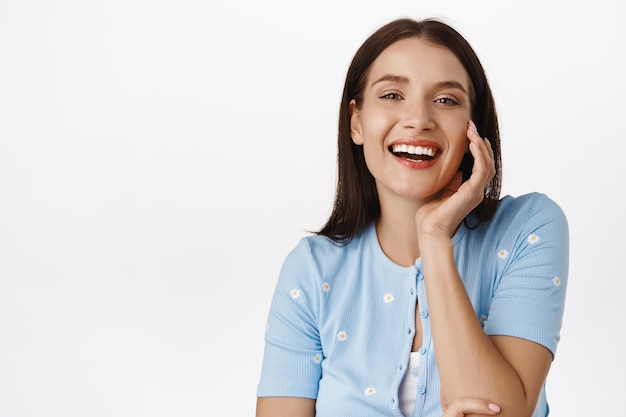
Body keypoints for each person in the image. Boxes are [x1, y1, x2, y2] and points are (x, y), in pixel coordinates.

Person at [255, 17, 568, 417]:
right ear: (356, 122)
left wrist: (434, 239)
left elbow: (505, 412)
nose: (418, 119)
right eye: (391, 95)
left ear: (475, 127)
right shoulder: (312, 270)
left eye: (446, 100)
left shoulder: (529, 228)